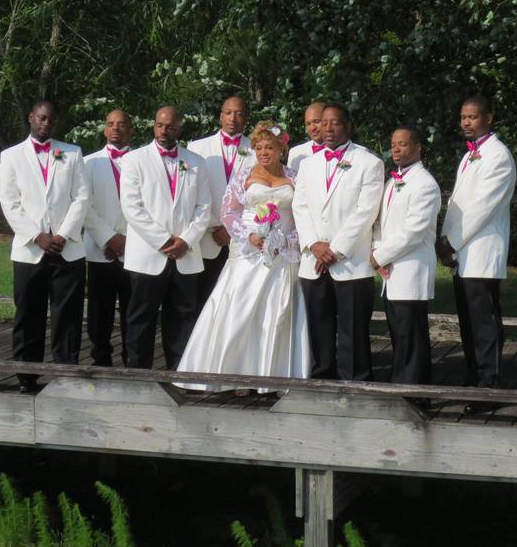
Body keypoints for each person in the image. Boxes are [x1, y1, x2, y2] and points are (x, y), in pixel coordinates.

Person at [176, 121, 311, 391]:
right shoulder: (243, 177)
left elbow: (302, 215)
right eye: (259, 148)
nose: (263, 152)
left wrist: (285, 239)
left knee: (275, 313)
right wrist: (249, 236)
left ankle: (270, 376)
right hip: (248, 252)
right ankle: (229, 372)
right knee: (237, 308)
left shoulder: (295, 177)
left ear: (281, 150)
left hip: (281, 254)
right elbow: (229, 212)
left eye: (269, 147)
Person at [0, 100, 90, 393]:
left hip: (68, 248)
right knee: (28, 314)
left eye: (50, 119)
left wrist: (62, 234)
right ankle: (26, 376)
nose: (45, 124)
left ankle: (65, 375)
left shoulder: (72, 153)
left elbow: (82, 198)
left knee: (67, 316)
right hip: (30, 250)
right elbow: (9, 202)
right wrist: (37, 236)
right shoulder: (11, 156)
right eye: (41, 118)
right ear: (31, 118)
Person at [292, 102, 384, 380]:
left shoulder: (370, 162)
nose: (327, 128)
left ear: (348, 126)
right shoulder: (308, 164)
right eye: (323, 123)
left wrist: (336, 250)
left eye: (335, 123)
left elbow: (366, 211)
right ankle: (322, 376)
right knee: (318, 323)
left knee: (352, 327)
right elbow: (300, 205)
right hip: (314, 259)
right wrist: (314, 245)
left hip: (350, 260)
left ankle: (355, 381)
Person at [438, 95, 516, 414]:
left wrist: (450, 242)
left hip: (480, 251)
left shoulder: (498, 156)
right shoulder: (470, 156)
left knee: (484, 321)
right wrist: (445, 237)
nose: (466, 122)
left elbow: (481, 209)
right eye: (463, 117)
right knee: (468, 321)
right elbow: (457, 206)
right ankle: (475, 376)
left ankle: (490, 385)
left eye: (472, 117)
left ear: (489, 119)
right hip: (462, 252)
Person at [120, 106, 212, 370]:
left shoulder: (196, 162)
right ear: (153, 125)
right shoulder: (134, 160)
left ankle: (180, 373)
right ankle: (139, 376)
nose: (164, 131)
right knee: (141, 318)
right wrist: (163, 241)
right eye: (160, 125)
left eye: (170, 126)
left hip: (186, 254)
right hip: (149, 254)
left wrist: (186, 240)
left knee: (183, 316)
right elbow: (131, 207)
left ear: (179, 128)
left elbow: (204, 207)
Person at [371, 126, 441, 385]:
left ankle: (414, 392)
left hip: (411, 269)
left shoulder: (425, 184)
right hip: (392, 270)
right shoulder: (392, 181)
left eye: (403, 144)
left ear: (418, 147)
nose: (396, 149)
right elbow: (380, 222)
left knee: (412, 338)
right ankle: (400, 387)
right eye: (393, 144)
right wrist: (376, 250)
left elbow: (414, 231)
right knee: (399, 335)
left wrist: (380, 256)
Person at [188, 96, 255, 308]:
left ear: (246, 118)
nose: (233, 118)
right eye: (228, 112)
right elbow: (191, 195)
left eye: (239, 113)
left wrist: (233, 230)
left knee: (237, 302)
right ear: (220, 116)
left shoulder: (258, 150)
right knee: (202, 301)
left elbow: (259, 198)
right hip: (206, 237)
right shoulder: (196, 148)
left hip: (242, 240)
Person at [82, 109, 133, 366]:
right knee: (99, 310)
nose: (116, 128)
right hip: (100, 248)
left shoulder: (142, 160)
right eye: (111, 124)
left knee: (132, 310)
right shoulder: (89, 163)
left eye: (121, 124)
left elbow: (148, 205)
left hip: (134, 249)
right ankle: (100, 358)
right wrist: (108, 238)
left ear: (130, 130)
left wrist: (126, 240)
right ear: (104, 130)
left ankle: (131, 360)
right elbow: (84, 205)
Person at [287, 101, 326, 170]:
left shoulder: (343, 150)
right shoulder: (296, 152)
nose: (313, 128)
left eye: (316, 121)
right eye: (308, 124)